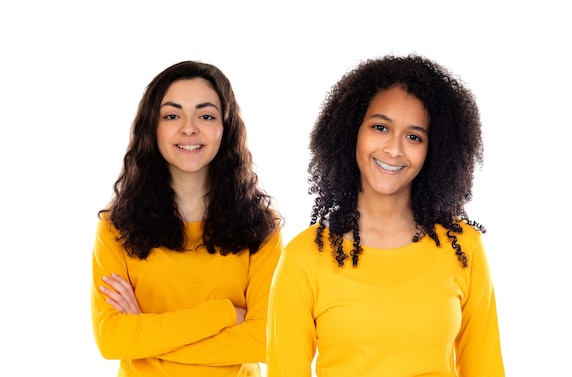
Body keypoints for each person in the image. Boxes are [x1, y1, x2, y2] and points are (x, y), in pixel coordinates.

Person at [266, 54, 505, 377]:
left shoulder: (465, 248)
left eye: (414, 136)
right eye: (380, 127)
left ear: (433, 150)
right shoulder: (304, 258)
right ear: (352, 132)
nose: (394, 149)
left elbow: (486, 369)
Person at [91, 60, 284, 377]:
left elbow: (265, 339)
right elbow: (112, 340)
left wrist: (146, 338)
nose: (189, 127)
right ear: (152, 127)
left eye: (206, 115)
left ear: (226, 127)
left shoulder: (261, 226)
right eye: (172, 115)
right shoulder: (116, 226)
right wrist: (224, 313)